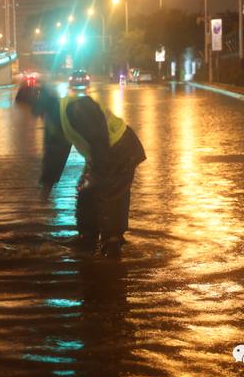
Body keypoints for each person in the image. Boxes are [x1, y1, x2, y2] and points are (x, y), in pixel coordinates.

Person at [15, 84, 146, 257]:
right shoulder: (54, 118)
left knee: (111, 195)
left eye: (30, 108)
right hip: (103, 155)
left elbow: (99, 139)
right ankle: (87, 238)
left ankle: (112, 244)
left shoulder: (74, 108)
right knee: (86, 192)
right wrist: (47, 184)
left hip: (120, 150)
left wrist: (97, 173)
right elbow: (55, 152)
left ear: (37, 102)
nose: (32, 115)